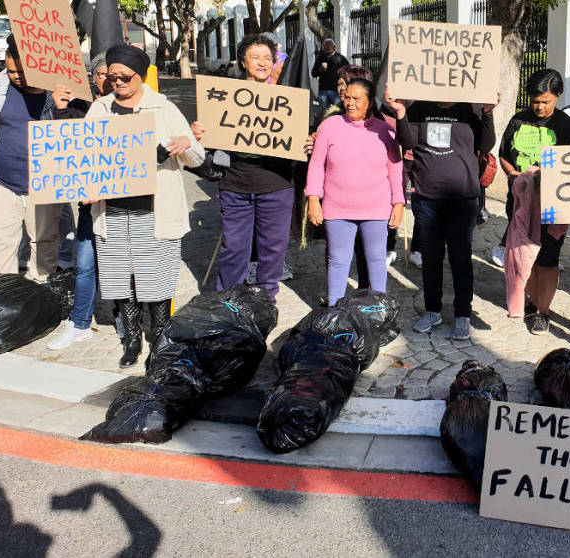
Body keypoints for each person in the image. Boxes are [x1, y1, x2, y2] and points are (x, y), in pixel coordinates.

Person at [86, 44, 205, 368]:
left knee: (158, 279)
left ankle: (160, 338)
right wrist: (85, 189)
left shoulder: (163, 108)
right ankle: (132, 338)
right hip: (113, 212)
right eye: (112, 77)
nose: (118, 82)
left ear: (140, 75)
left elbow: (197, 157)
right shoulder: (99, 110)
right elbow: (84, 161)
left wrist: (187, 144)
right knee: (119, 278)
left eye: (125, 76)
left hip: (155, 211)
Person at [386, 88, 498, 341]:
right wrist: (402, 113)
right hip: (428, 197)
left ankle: (462, 315)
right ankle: (432, 310)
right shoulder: (419, 107)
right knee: (432, 259)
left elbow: (485, 144)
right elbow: (408, 143)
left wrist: (488, 114)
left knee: (460, 259)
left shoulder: (471, 108)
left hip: (463, 198)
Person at [191, 35, 296, 302]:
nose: (262, 63)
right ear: (243, 62)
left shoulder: (288, 100)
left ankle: (265, 302)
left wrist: (308, 139)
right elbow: (208, 145)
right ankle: (228, 304)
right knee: (234, 249)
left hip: (276, 185)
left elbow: (302, 138)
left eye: (267, 58)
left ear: (274, 63)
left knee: (272, 251)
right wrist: (199, 134)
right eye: (255, 57)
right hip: (235, 186)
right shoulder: (224, 98)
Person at [0, 35, 63, 280]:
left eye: (22, 70)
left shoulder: (56, 93)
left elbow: (73, 135)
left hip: (44, 184)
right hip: (1, 182)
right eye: (10, 71)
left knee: (44, 243)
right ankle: (4, 301)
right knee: (0, 245)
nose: (16, 75)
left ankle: (42, 294)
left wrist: (61, 108)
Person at [306, 77, 405, 305]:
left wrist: (398, 203)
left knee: (376, 259)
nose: (350, 103)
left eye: (356, 98)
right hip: (337, 209)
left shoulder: (385, 131)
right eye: (347, 97)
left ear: (369, 102)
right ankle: (335, 309)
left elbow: (395, 169)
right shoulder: (330, 126)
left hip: (376, 209)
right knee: (338, 260)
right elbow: (316, 165)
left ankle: (378, 308)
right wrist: (313, 199)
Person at [493, 69, 570, 334]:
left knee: (548, 258)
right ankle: (528, 303)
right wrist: (513, 175)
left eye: (546, 101)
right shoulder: (518, 121)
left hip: (553, 204)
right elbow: (503, 153)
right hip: (520, 202)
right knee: (523, 255)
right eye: (535, 101)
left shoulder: (567, 127)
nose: (539, 107)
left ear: (558, 97)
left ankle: (542, 310)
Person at [47, 53, 115, 350]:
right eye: (102, 73)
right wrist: (61, 110)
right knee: (86, 264)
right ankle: (80, 323)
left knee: (124, 266)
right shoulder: (78, 108)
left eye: (116, 74)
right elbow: (62, 149)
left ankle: (127, 320)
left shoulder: (133, 109)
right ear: (93, 77)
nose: (110, 79)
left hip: (126, 206)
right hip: (89, 204)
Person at [312, 38, 349, 108]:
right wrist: (320, 70)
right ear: (323, 47)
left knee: (338, 111)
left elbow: (348, 72)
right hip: (323, 90)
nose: (328, 47)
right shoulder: (320, 58)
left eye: (330, 45)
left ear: (334, 47)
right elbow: (313, 74)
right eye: (326, 45)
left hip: (337, 91)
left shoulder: (340, 58)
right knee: (322, 113)